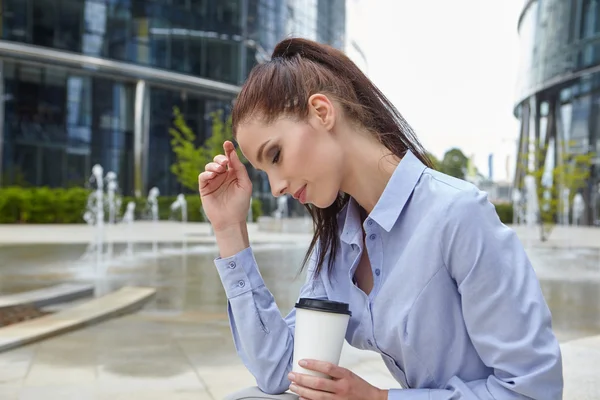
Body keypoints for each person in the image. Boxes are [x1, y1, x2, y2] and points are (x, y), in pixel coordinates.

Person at [198, 37, 563, 400]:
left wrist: (380, 399)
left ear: (322, 112)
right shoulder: (338, 246)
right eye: (263, 172)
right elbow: (284, 372)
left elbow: (534, 390)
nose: (276, 187)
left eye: (274, 155)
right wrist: (229, 229)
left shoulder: (457, 214)